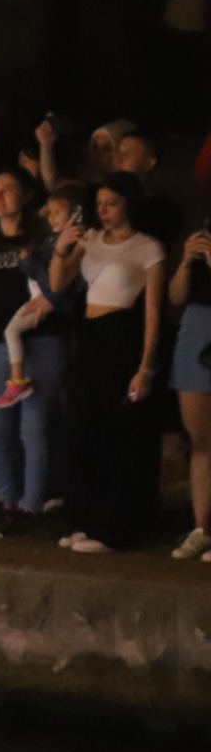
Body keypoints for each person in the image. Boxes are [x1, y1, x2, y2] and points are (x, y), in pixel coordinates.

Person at [51, 174, 166, 553]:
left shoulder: (149, 248)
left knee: (117, 431)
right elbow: (58, 283)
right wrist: (62, 249)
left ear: (128, 204)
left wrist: (145, 367)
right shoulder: (91, 241)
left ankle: (113, 528)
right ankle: (84, 518)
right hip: (90, 335)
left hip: (122, 336)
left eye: (111, 203)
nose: (103, 210)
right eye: (99, 203)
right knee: (81, 424)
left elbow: (153, 313)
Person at [0, 170, 68, 537]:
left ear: (27, 196)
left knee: (34, 428)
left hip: (40, 341)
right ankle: (8, 500)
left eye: (8, 189)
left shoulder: (42, 239)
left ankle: (31, 506)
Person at [167, 222, 211, 561]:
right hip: (196, 328)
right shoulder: (201, 232)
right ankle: (202, 528)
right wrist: (185, 261)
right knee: (200, 438)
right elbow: (176, 296)